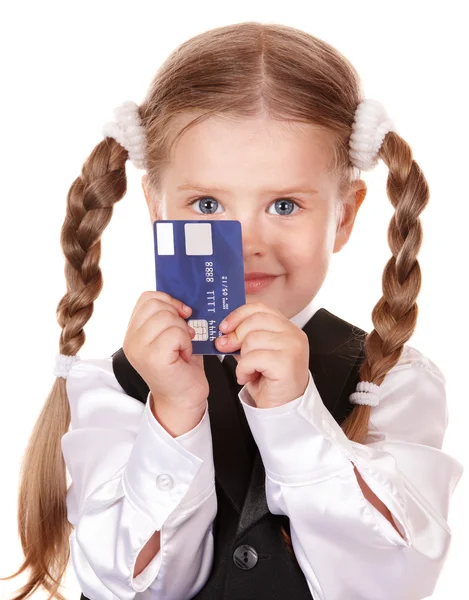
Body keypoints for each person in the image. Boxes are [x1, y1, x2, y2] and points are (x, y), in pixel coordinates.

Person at [4, 21, 464, 600]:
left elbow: (389, 580)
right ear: (156, 207)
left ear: (344, 217)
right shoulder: (113, 387)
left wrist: (296, 415)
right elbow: (127, 585)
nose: (245, 239)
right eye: (206, 203)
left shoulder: (390, 382)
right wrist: (173, 412)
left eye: (285, 204)